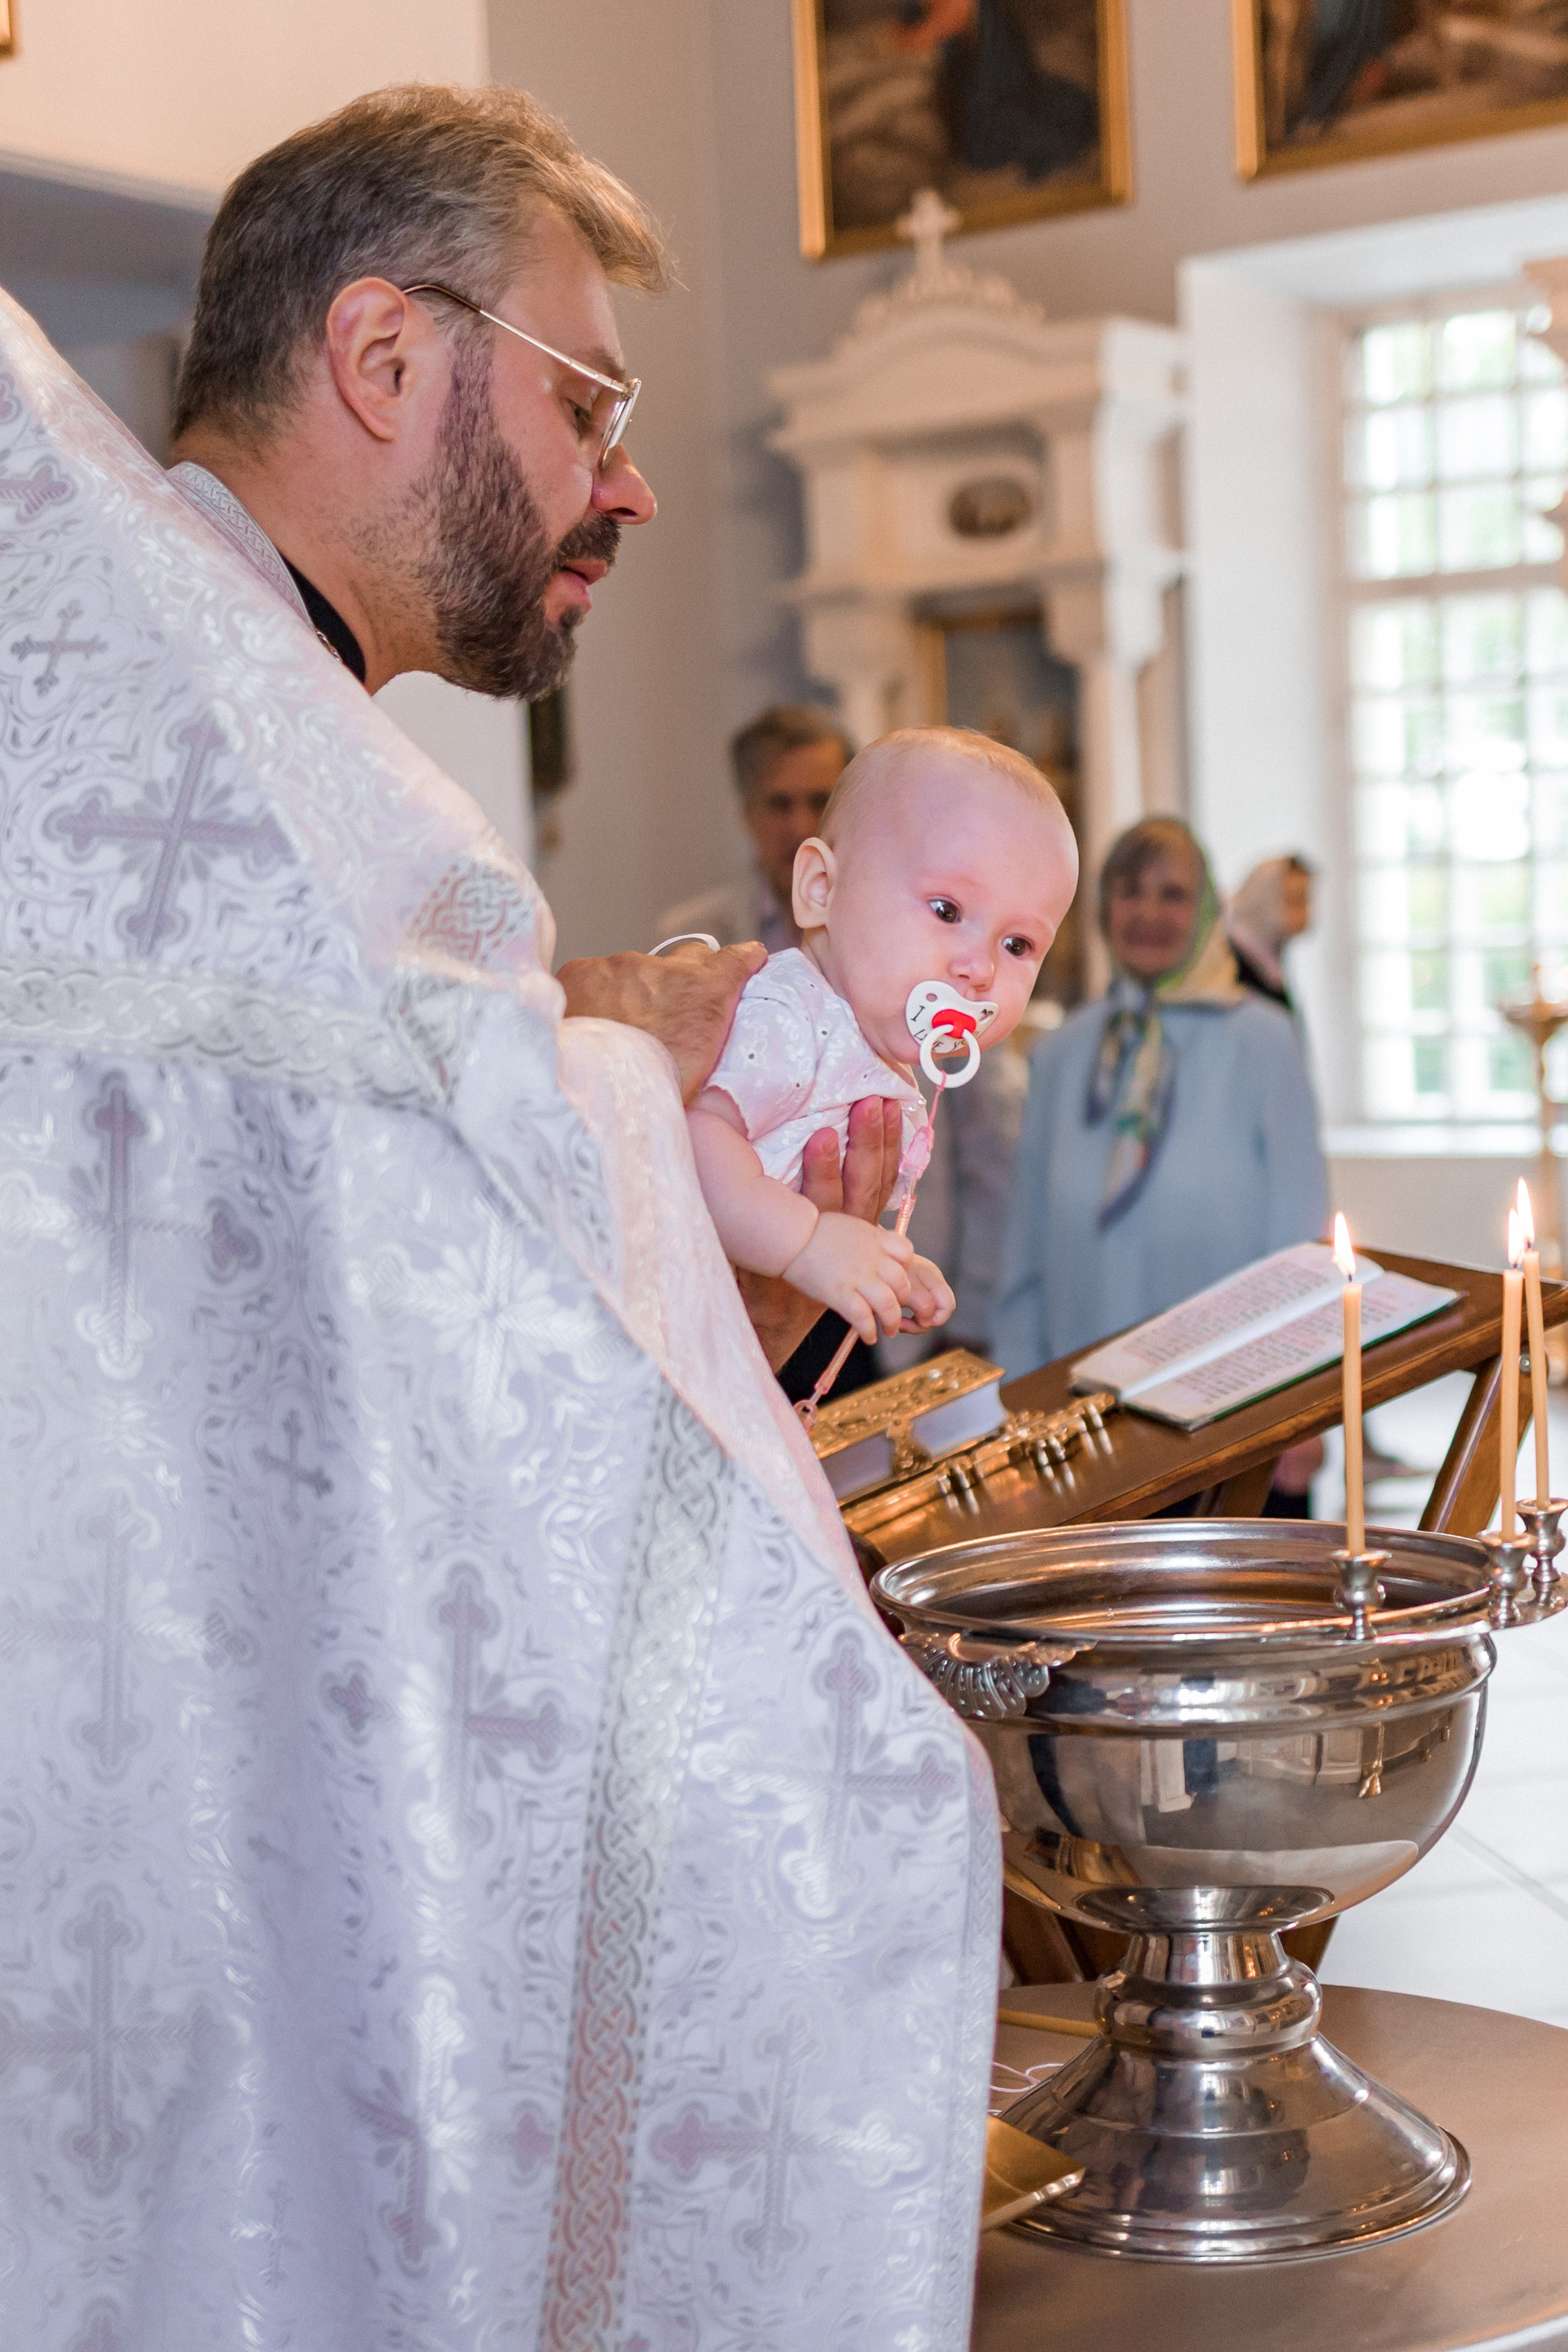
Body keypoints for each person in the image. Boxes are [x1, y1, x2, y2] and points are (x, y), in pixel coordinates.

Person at [0, 86, 995, 2350]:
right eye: (585, 401)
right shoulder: (224, 755)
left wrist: (658, 1147)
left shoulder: (214, 717)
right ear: (381, 358)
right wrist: (615, 1079)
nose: (625, 478)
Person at [688, 727, 1077, 1346]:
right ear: (821, 888)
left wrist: (885, 1265)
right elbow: (695, 1142)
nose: (979, 968)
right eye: (947, 910)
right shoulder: (786, 1011)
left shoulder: (877, 1055)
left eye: (1017, 945)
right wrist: (809, 1243)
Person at [992, 816, 1329, 1380]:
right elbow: (1025, 1244)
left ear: (1207, 912)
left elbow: (1300, 1228)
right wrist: (1017, 1381)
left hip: (1232, 1387)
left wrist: (1304, 1393)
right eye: (1128, 893)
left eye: (1172, 895)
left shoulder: (1264, 1040)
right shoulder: (1063, 1051)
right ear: (1102, 909)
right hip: (1082, 1377)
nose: (1148, 914)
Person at [654, 703, 851, 955]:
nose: (801, 828)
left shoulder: (887, 926)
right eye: (779, 805)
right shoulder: (690, 938)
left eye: (820, 802)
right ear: (748, 814)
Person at [1227, 851, 1315, 1013]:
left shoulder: (1269, 966)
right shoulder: (1230, 966)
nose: (1306, 913)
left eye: (1306, 900)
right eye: (1293, 900)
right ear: (1263, 898)